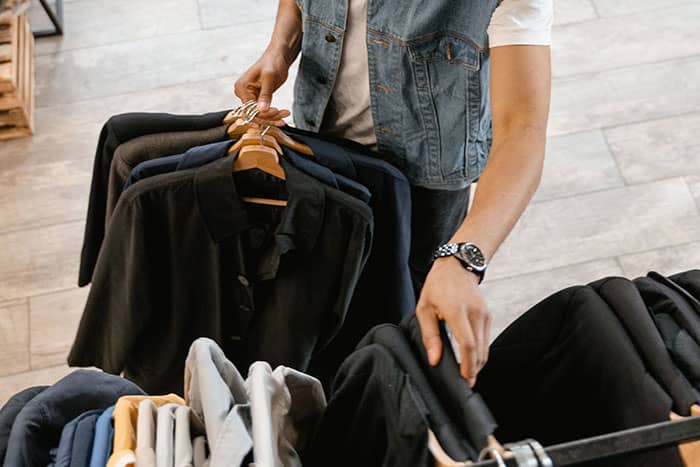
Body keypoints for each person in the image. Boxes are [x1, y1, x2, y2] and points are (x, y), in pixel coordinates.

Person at [234, 0, 552, 387]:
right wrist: (279, 48)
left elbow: (522, 129)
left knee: (406, 316)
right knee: (330, 299)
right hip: (323, 145)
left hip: (428, 177)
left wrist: (463, 259)